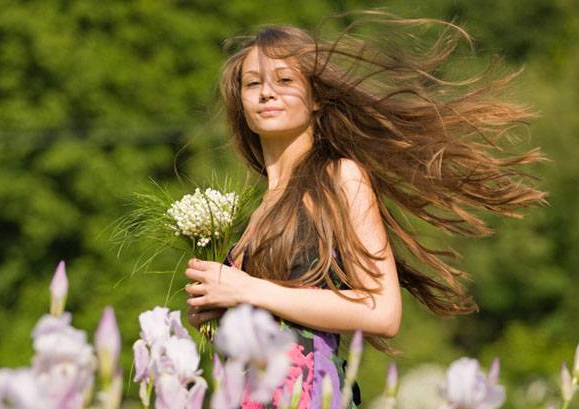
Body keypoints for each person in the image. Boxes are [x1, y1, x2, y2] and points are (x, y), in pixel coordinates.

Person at [183, 10, 547, 408]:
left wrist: (249, 289)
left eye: (284, 80)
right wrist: (220, 313)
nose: (266, 93)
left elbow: (381, 310)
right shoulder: (258, 210)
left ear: (317, 96)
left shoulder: (340, 176)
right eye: (253, 84)